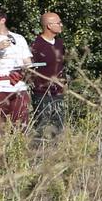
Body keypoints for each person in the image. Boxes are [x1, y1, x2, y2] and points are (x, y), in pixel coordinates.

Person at [29, 9, 68, 137]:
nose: (61, 25)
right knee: (42, 129)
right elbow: (30, 69)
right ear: (49, 26)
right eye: (58, 23)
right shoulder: (36, 45)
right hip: (42, 94)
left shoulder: (60, 43)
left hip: (58, 93)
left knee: (59, 130)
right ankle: (41, 154)